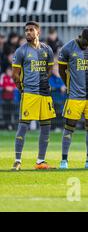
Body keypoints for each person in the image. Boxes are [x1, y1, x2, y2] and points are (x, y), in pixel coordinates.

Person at [11, 21, 56, 170]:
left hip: (44, 94)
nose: (28, 33)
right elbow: (15, 75)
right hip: (29, 93)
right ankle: (17, 160)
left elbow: (50, 68)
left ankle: (40, 161)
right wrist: (21, 89)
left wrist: (45, 80)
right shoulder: (21, 51)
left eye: (31, 30)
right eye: (26, 30)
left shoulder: (47, 49)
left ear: (38, 32)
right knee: (23, 126)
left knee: (46, 127)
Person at [57, 28, 88, 169]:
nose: (86, 45)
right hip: (75, 95)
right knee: (69, 127)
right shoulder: (67, 49)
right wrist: (69, 85)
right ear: (80, 37)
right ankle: (64, 160)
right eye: (84, 42)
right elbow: (61, 70)